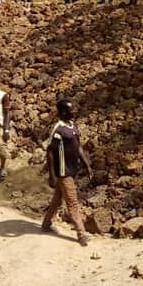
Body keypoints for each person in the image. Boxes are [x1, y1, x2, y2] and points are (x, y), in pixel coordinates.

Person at [42, 99, 91, 246]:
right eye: (71, 109)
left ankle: (46, 224)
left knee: (57, 199)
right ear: (63, 112)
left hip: (72, 169)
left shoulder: (73, 126)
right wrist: (52, 175)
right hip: (63, 172)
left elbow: (78, 147)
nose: (74, 111)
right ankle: (81, 234)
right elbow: (50, 153)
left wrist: (86, 165)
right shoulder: (58, 130)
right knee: (72, 202)